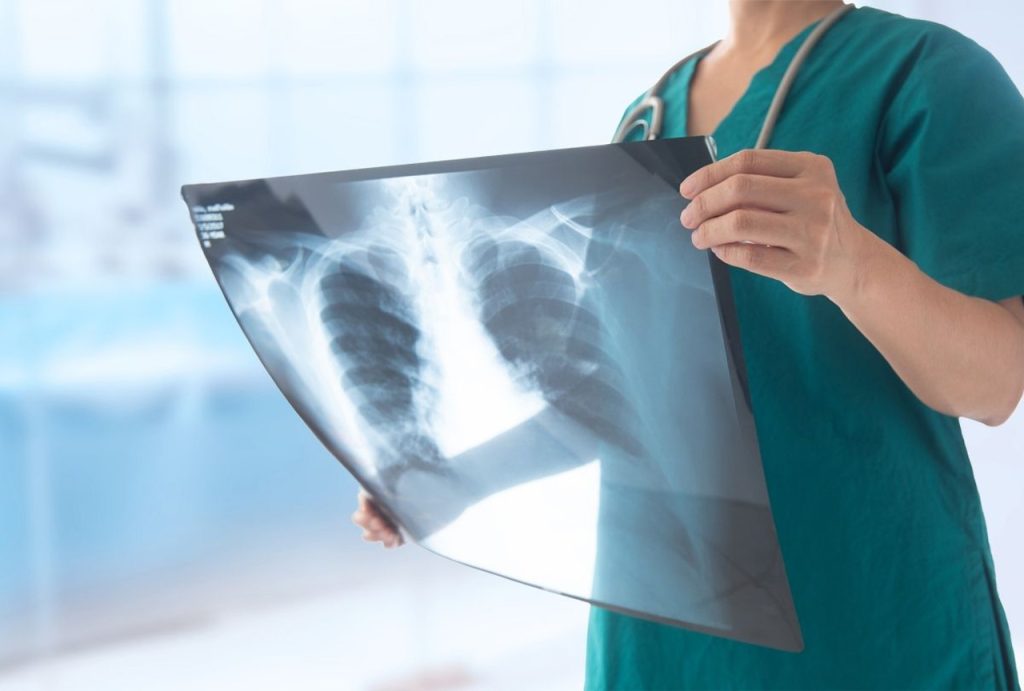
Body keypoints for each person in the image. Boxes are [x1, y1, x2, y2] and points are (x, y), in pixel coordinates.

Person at [353, 1, 1024, 687]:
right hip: (657, 637)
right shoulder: (647, 115)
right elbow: (619, 400)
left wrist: (852, 263)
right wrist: (451, 480)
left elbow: (997, 382)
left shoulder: (926, 77)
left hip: (864, 625)